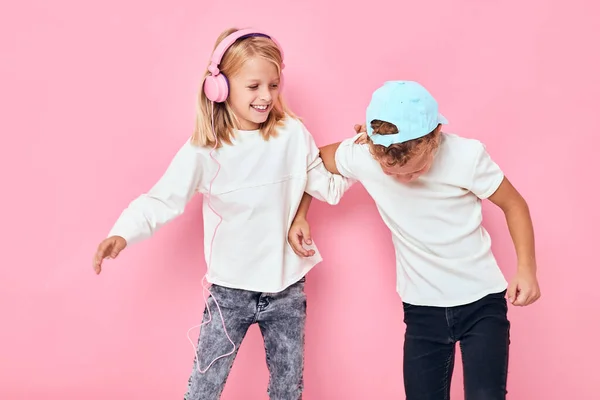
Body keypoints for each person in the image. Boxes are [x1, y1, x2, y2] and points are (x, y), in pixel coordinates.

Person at [92, 27, 353, 400]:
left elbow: (323, 185)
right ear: (221, 87)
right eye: (254, 86)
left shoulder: (293, 134)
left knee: (287, 388)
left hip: (286, 289)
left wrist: (365, 155)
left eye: (273, 85)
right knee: (204, 388)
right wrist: (122, 233)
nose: (266, 96)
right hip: (229, 293)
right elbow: (161, 200)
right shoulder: (205, 150)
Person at [289, 80, 541, 399]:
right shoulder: (364, 155)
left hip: (482, 302)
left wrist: (526, 269)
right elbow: (312, 165)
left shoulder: (466, 156)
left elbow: (514, 204)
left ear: (435, 137)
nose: (405, 179)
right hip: (422, 310)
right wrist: (301, 215)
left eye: (414, 169)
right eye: (393, 172)